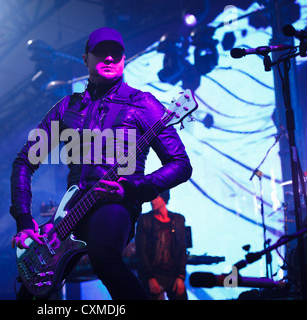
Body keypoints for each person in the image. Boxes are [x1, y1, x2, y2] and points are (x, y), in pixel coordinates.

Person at [10, 27, 192, 300]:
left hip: (115, 204)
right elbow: (24, 161)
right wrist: (24, 221)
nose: (108, 58)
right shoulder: (66, 108)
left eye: (115, 54)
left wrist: (131, 188)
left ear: (123, 59)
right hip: (70, 212)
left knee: (103, 256)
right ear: (86, 59)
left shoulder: (143, 104)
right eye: (100, 53)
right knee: (30, 289)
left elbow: (180, 163)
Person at [135, 191, 188, 300]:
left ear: (164, 199)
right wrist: (150, 278)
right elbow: (141, 250)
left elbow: (182, 249)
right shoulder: (145, 220)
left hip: (173, 274)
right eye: (151, 197)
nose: (153, 200)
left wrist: (180, 277)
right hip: (153, 274)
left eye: (156, 197)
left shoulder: (178, 220)